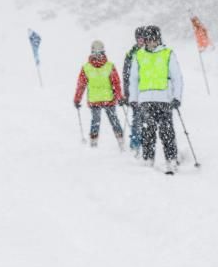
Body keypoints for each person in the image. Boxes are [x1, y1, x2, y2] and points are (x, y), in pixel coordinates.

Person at [128, 25, 183, 174]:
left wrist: (177, 97)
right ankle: (148, 159)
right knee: (148, 131)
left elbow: (177, 77)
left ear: (159, 39)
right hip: (145, 99)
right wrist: (133, 98)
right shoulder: (138, 55)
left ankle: (171, 160)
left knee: (167, 132)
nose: (152, 42)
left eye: (154, 39)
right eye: (149, 39)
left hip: (164, 99)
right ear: (145, 40)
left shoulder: (167, 53)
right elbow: (133, 79)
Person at [73, 40, 124, 149]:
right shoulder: (87, 67)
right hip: (99, 100)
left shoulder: (108, 66)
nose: (97, 56)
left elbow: (116, 83)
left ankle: (120, 143)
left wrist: (120, 97)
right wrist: (77, 99)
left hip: (105, 99)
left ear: (103, 53)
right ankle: (95, 144)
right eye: (95, 53)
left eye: (99, 53)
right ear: (92, 53)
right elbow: (81, 85)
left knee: (107, 121)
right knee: (106, 121)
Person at [120, 27, 145, 155]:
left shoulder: (151, 52)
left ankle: (147, 143)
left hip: (148, 90)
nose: (141, 40)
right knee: (136, 118)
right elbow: (125, 75)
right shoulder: (130, 54)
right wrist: (126, 93)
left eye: (143, 38)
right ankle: (135, 143)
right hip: (135, 91)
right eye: (139, 38)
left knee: (148, 118)